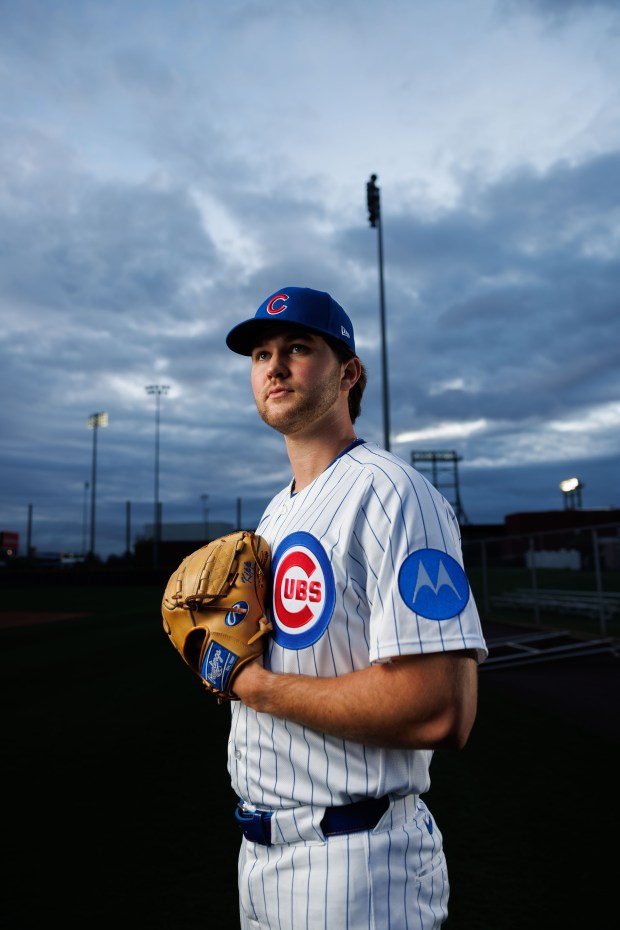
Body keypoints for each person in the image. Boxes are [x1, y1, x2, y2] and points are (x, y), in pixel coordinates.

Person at [225, 286, 488, 930]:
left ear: (349, 373)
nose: (274, 366)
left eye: (297, 348)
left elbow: (440, 710)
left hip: (357, 863)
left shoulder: (397, 495)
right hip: (261, 856)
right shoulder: (277, 511)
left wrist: (251, 685)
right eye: (261, 354)